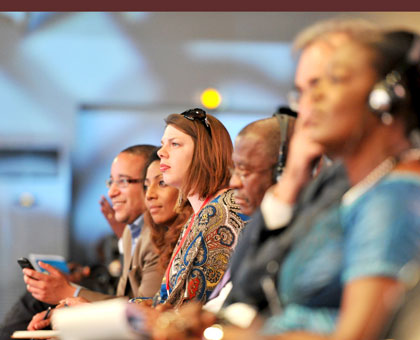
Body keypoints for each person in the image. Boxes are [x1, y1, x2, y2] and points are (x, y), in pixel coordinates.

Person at [212, 28, 420, 340]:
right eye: (307, 88)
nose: (313, 99)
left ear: (385, 98)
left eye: (334, 80)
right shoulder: (364, 188)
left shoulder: (392, 197)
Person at [22, 145, 162, 303]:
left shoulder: (159, 236)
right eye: (111, 182)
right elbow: (125, 299)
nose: (111, 192)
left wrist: (70, 293)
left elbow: (147, 310)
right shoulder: (130, 233)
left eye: (123, 182)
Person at [155, 108, 249, 307]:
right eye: (163, 144)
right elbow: (166, 301)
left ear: (204, 152)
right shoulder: (200, 214)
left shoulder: (222, 211)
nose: (161, 152)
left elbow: (189, 306)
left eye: (175, 144)